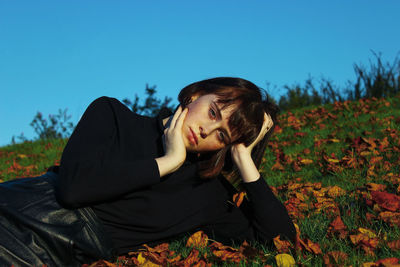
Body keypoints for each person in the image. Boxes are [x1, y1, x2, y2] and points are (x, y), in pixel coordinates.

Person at [0, 77, 296, 266]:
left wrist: (245, 161)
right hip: (19, 210)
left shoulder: (207, 195)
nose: (206, 130)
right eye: (213, 113)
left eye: (222, 135)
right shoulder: (113, 115)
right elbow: (74, 189)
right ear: (196, 95)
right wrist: (167, 162)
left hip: (47, 255)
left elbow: (278, 242)